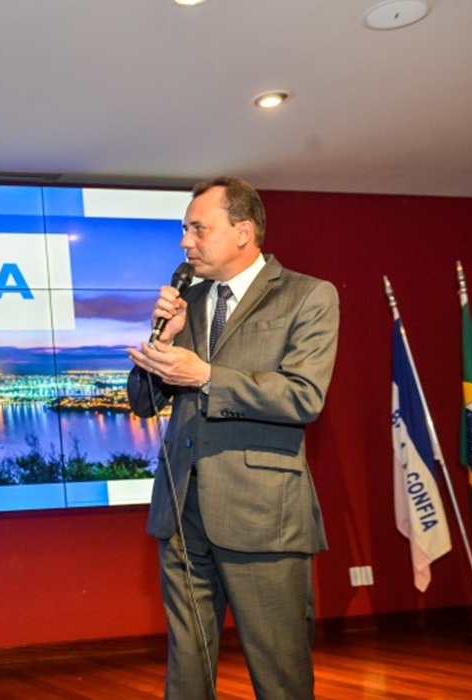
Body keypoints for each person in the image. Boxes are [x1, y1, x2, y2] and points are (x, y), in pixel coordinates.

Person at [126, 176, 339, 699]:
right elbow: (143, 402)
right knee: (187, 668)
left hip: (262, 515)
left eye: (198, 228)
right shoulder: (188, 301)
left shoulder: (308, 296)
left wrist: (205, 375)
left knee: (280, 673)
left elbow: (303, 397)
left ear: (243, 231)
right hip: (181, 510)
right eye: (184, 229)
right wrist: (163, 341)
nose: (185, 241)